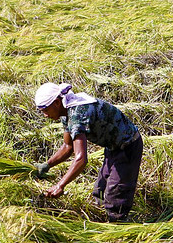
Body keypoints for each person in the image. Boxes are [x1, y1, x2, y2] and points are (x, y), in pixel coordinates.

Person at [32, 83, 143, 222]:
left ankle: (118, 230)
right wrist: (47, 165)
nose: (45, 115)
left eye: (45, 109)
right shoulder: (66, 111)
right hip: (113, 147)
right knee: (100, 191)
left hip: (128, 145)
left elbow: (81, 159)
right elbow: (68, 146)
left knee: (115, 196)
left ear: (56, 102)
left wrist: (60, 185)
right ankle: (104, 220)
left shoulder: (77, 115)